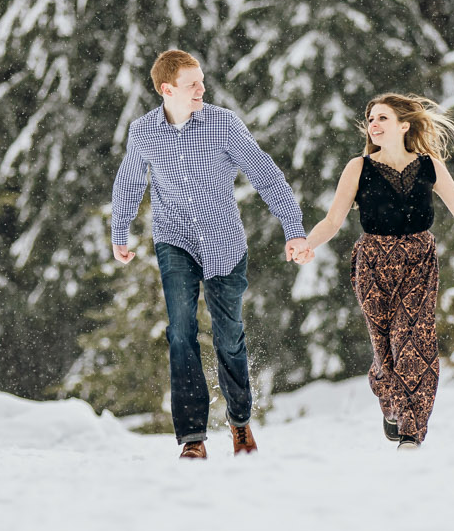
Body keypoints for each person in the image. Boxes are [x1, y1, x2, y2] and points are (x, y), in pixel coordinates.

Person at [110, 50, 310, 460]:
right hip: (174, 239)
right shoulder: (144, 132)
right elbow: (129, 183)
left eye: (201, 81)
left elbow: (266, 175)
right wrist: (120, 232)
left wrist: (293, 229)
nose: (202, 89)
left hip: (224, 242)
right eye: (192, 84)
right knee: (180, 332)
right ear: (167, 90)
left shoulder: (223, 125)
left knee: (228, 336)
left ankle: (240, 423)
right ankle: (193, 438)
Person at [291, 94, 454, 449]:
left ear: (404, 125)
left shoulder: (429, 166)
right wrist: (308, 243)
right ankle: (391, 403)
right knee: (385, 352)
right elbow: (333, 220)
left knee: (415, 343)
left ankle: (411, 434)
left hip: (419, 261)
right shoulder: (359, 167)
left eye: (382, 118)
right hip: (372, 264)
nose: (374, 125)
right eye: (370, 119)